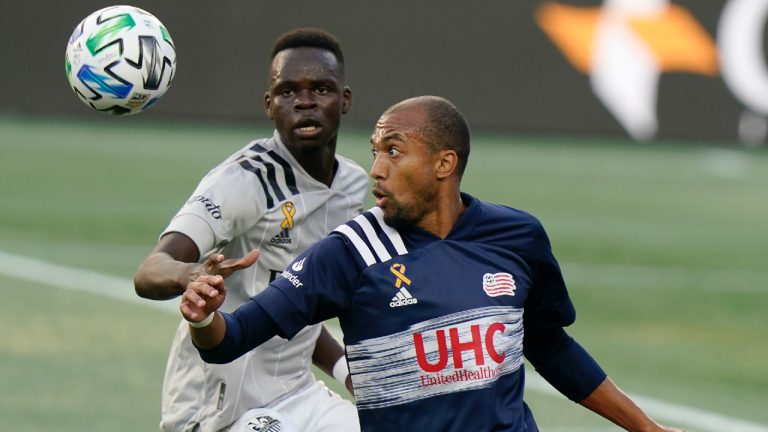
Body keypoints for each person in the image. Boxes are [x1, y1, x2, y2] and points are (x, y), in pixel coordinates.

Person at [179, 96, 686, 431]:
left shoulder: (517, 237)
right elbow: (231, 341)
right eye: (376, 150)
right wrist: (205, 316)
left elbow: (549, 346)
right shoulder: (351, 251)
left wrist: (646, 428)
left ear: (444, 164)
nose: (376, 169)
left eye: (394, 152)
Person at [134, 28, 367, 432]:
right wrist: (190, 275)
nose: (305, 102)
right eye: (288, 91)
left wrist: (349, 372)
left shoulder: (352, 187)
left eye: (322, 89)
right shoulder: (243, 182)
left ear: (344, 100)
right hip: (214, 408)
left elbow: (299, 305)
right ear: (269, 105)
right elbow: (150, 270)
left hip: (296, 394)